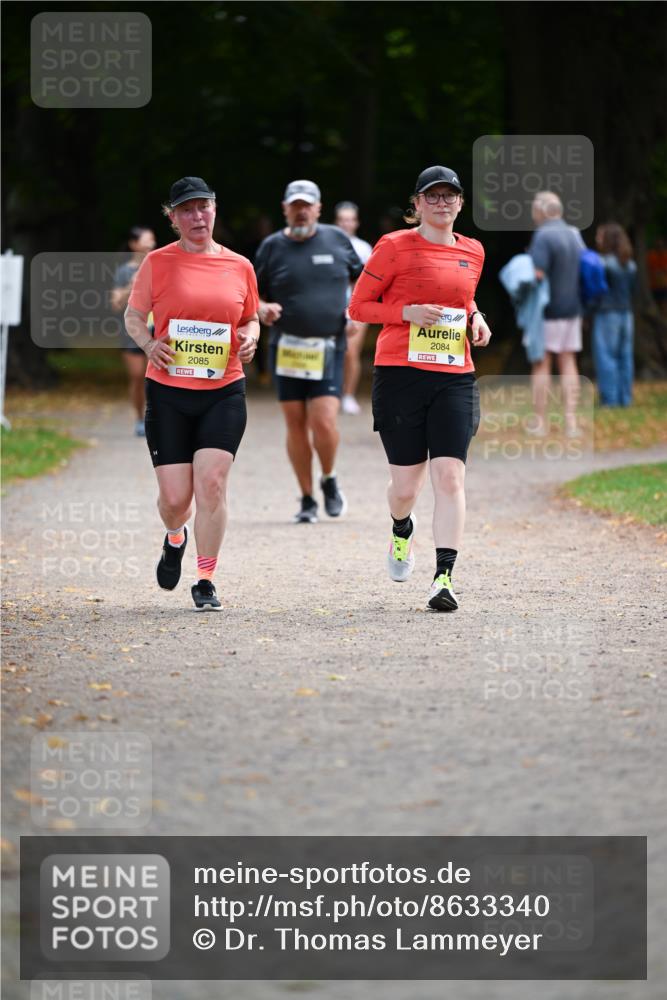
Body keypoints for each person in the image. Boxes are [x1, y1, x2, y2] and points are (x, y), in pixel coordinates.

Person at [349, 165, 491, 612]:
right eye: (432, 196)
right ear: (417, 205)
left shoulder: (474, 250)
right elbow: (359, 307)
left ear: (461, 203)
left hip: (454, 375)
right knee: (406, 486)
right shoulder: (393, 247)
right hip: (400, 375)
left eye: (450, 196)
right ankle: (400, 526)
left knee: (449, 476)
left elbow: (462, 296)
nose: (442, 203)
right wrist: (406, 312)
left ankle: (443, 578)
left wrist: (475, 317)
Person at [124, 176, 260, 610]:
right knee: (175, 501)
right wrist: (149, 344)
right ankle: (174, 535)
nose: (197, 216)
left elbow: (251, 318)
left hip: (223, 389)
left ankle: (205, 578)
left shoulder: (240, 266)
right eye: (186, 210)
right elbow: (132, 316)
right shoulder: (157, 264)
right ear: (173, 218)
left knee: (213, 484)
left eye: (203, 207)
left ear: (215, 209)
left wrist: (251, 336)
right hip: (168, 392)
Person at [254, 180, 363, 523]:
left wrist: (355, 310)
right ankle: (306, 498)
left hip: (328, 345)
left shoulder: (336, 239)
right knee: (295, 424)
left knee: (324, 420)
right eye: (295, 205)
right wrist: (262, 308)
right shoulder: (271, 247)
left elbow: (363, 279)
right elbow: (251, 293)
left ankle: (328, 478)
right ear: (285, 208)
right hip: (286, 346)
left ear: (318, 208)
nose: (301, 210)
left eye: (308, 204)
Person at [528, 191, 585, 437]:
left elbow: (537, 275)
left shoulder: (543, 235)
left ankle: (540, 423)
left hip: (547, 311)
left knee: (542, 364)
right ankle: (570, 423)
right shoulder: (574, 234)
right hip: (573, 309)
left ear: (541, 210)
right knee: (569, 362)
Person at [110, 227, 156, 436]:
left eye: (152, 240)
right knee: (137, 377)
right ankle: (139, 419)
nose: (151, 244)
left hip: (158, 331)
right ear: (134, 244)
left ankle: (156, 418)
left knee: (156, 379)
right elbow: (116, 304)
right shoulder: (123, 272)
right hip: (132, 332)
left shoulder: (160, 267)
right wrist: (134, 283)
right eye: (147, 241)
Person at [591, 223, 637, 407]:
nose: (597, 239)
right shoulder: (631, 265)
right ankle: (625, 398)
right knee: (625, 357)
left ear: (608, 239)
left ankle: (609, 400)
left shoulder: (603, 263)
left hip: (607, 314)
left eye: (600, 236)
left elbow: (597, 291)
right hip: (627, 314)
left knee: (606, 357)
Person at [334, 201, 373, 415]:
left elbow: (370, 281)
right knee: (332, 352)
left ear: (356, 223)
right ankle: (331, 393)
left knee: (351, 351)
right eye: (342, 220)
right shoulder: (327, 244)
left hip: (356, 306)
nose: (346, 224)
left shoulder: (364, 248)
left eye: (349, 220)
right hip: (330, 307)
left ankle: (348, 394)